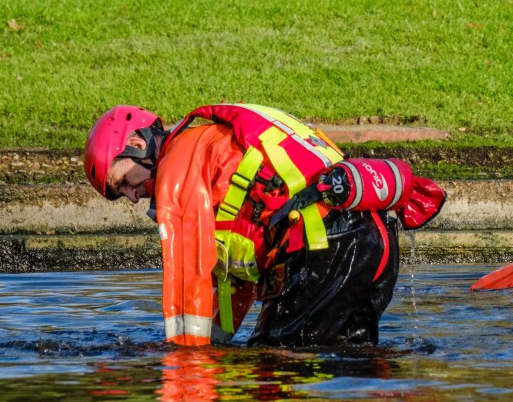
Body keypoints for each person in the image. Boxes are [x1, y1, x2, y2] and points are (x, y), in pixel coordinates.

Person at [84, 102, 447, 347]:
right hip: (371, 234)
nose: (131, 197)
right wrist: (217, 346)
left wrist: (185, 362)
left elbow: (188, 272)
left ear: (135, 143)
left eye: (122, 183)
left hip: (324, 246)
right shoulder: (217, 147)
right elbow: (230, 279)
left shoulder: (178, 163)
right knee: (349, 366)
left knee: (279, 371)